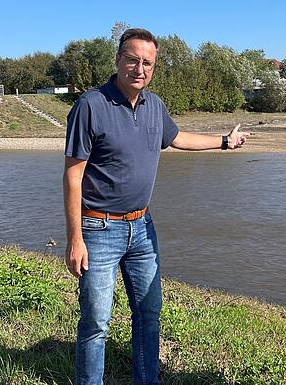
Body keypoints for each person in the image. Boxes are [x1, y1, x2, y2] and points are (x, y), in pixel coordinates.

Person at [63, 27, 250, 385]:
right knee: (96, 320)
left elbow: (178, 138)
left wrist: (225, 142)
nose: (140, 68)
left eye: (147, 62)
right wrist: (75, 238)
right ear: (118, 60)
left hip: (142, 228)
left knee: (149, 313)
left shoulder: (155, 106)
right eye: (132, 60)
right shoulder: (90, 106)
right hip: (98, 229)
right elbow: (73, 176)